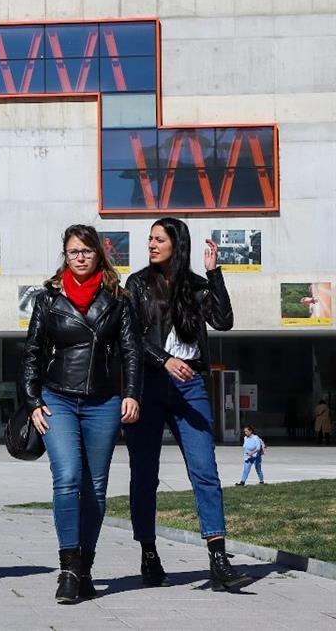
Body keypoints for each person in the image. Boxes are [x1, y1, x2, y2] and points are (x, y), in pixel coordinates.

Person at [124, 217, 251, 592]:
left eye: (159, 239)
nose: (151, 244)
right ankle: (149, 553)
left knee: (205, 472)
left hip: (191, 386)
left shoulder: (196, 286)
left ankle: (218, 559)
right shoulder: (137, 285)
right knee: (144, 476)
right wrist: (163, 359)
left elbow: (223, 321)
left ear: (177, 244)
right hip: (149, 383)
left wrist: (215, 274)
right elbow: (129, 338)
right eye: (150, 239)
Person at [22, 225, 142, 604]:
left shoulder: (118, 300)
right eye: (73, 251)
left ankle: (85, 566)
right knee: (68, 478)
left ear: (98, 255)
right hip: (57, 397)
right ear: (65, 255)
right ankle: (68, 569)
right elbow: (32, 353)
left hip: (104, 401)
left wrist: (132, 394)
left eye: (87, 251)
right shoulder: (48, 299)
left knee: (96, 488)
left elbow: (131, 352)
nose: (80, 257)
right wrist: (32, 400)